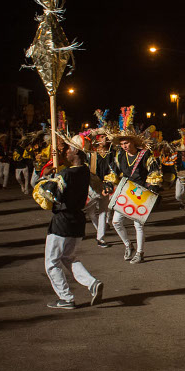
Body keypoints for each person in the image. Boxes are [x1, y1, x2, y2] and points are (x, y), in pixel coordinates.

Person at [44, 137, 104, 309]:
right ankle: (92, 283)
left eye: (69, 149)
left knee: (52, 262)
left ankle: (66, 298)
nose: (66, 151)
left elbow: (52, 196)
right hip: (77, 221)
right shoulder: (85, 172)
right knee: (68, 258)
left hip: (62, 221)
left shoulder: (66, 174)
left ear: (76, 151)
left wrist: (46, 178)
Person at [107, 119, 162, 264]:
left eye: (127, 143)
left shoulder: (145, 155)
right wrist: (109, 184)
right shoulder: (119, 156)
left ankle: (140, 252)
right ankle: (128, 245)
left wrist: (152, 186)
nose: (124, 146)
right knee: (116, 222)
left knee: (138, 224)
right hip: (125, 192)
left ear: (133, 142)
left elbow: (154, 171)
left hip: (140, 193)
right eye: (122, 144)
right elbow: (114, 172)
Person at [86, 133, 115, 248]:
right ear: (97, 139)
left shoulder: (111, 154)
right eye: (102, 137)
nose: (105, 139)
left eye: (106, 137)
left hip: (105, 186)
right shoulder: (91, 154)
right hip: (92, 186)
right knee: (90, 211)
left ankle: (100, 238)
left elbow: (113, 169)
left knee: (103, 211)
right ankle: (99, 230)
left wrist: (109, 183)